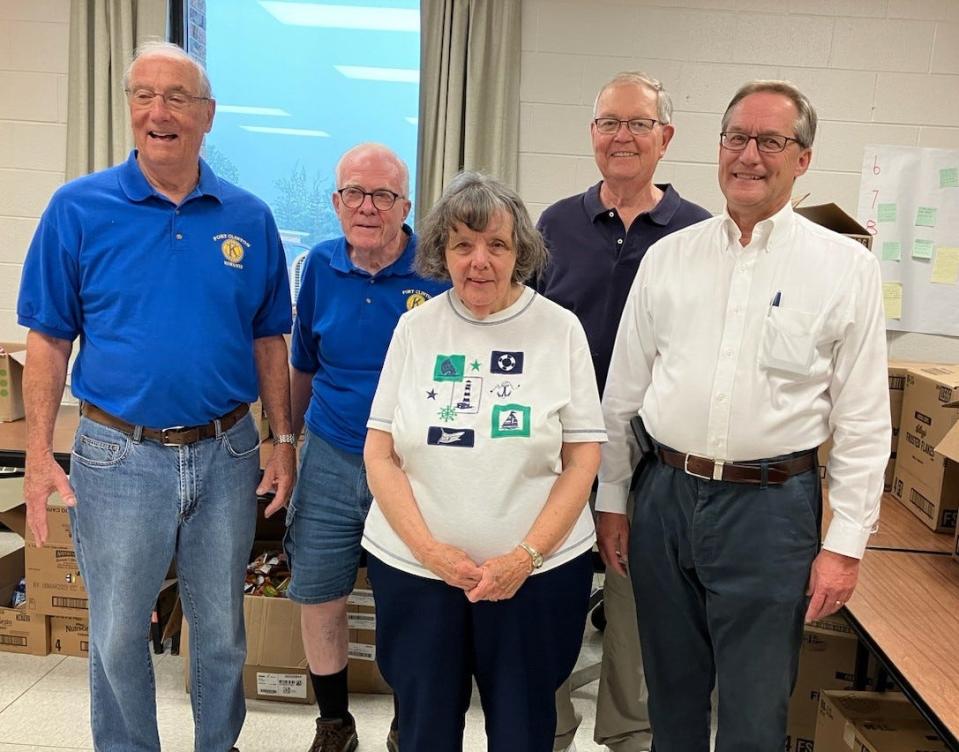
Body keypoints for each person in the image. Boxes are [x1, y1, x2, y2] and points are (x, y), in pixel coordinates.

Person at [17, 41, 296, 752]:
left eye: (176, 97)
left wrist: (281, 440)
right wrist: (39, 455)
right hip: (117, 454)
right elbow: (48, 341)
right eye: (143, 95)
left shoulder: (249, 217)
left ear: (206, 116)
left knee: (221, 633)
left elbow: (270, 341)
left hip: (227, 448)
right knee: (115, 632)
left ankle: (217, 745)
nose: (158, 111)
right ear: (129, 109)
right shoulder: (77, 209)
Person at [598, 80, 890, 752]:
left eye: (770, 141)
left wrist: (843, 547)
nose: (748, 155)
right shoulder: (669, 258)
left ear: (802, 158)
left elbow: (864, 422)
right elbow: (622, 395)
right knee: (668, 696)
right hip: (664, 495)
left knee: (754, 712)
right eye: (735, 138)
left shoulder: (843, 269)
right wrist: (612, 499)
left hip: (770, 509)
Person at [362, 172, 607, 752]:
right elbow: (381, 453)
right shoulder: (415, 328)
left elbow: (582, 459)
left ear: (520, 250)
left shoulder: (559, 329)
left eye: (496, 244)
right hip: (418, 572)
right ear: (440, 251)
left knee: (523, 730)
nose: (479, 261)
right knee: (424, 730)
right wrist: (429, 551)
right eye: (462, 244)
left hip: (537, 576)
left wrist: (525, 556)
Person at [535, 71, 710, 752]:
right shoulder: (553, 225)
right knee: (550, 591)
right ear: (591, 134)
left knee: (638, 606)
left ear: (665, 137)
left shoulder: (696, 232)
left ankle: (628, 731)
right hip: (558, 452)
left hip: (651, 459)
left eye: (638, 124)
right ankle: (547, 726)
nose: (622, 137)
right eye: (609, 122)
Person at [285, 143, 449, 752]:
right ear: (336, 201)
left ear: (406, 205)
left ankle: (410, 720)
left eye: (382, 195)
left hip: (412, 464)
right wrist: (283, 445)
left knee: (409, 599)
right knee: (319, 591)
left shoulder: (436, 272)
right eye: (354, 192)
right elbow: (303, 364)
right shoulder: (319, 266)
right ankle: (334, 724)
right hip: (329, 452)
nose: (367, 206)